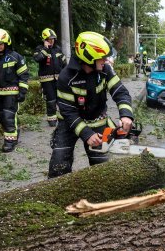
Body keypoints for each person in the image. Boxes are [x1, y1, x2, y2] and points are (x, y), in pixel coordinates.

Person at [48, 31, 134, 177]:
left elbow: (121, 92)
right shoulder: (66, 78)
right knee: (59, 166)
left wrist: (126, 115)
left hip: (97, 120)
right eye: (102, 57)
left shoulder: (105, 71)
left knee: (102, 169)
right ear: (89, 58)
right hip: (69, 124)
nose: (106, 60)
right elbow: (68, 112)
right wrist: (86, 133)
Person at [0, 28, 30, 153]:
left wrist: (22, 92)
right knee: (1, 117)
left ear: (7, 43)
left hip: (11, 93)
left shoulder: (16, 57)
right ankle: (14, 133)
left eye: (1, 44)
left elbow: (24, 75)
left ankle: (9, 142)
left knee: (8, 116)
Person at [33, 28, 66, 127]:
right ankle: (51, 119)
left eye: (53, 39)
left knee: (61, 99)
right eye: (49, 39)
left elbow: (64, 63)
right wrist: (45, 49)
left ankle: (63, 118)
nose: (51, 41)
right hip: (47, 80)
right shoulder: (39, 49)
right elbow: (37, 58)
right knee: (51, 100)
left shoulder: (58, 49)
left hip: (59, 79)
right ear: (44, 40)